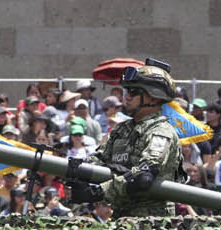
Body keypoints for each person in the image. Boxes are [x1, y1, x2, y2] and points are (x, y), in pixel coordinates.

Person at [69, 60, 181, 217]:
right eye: (126, 91)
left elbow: (144, 174)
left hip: (152, 224)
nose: (126, 97)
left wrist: (99, 191)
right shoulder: (122, 129)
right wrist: (76, 171)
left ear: (154, 98)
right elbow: (99, 159)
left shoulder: (160, 131)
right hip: (121, 218)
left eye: (134, 92)